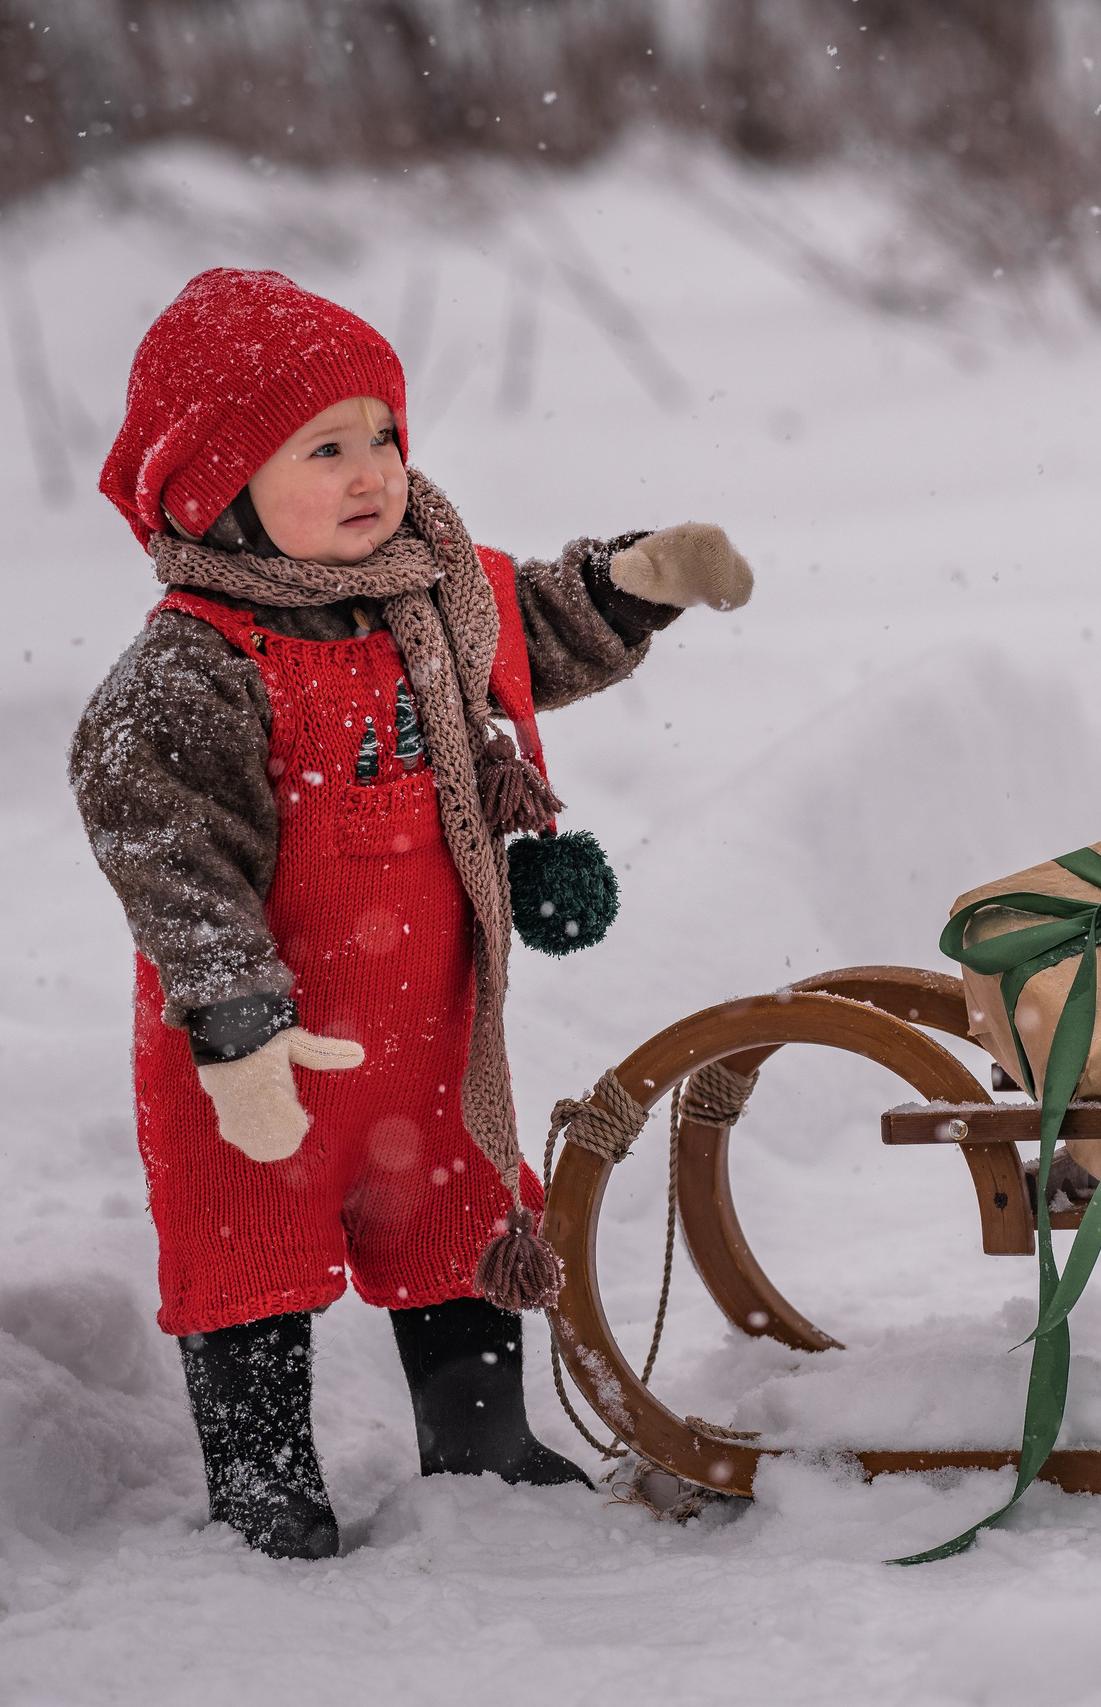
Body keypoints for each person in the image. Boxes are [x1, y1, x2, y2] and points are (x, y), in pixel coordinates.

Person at [72, 268, 752, 1559]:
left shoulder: (432, 596)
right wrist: (237, 1025)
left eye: (382, 434)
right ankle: (265, 1483)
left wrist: (632, 582)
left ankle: (479, 1443)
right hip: (262, 1047)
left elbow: (531, 623)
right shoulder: (192, 666)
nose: (374, 471)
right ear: (217, 488)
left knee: (454, 1223)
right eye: (324, 450)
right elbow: (170, 855)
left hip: (426, 1031)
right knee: (247, 1252)